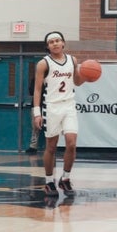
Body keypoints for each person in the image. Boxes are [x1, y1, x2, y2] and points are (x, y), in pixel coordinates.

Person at [33, 31, 88, 198]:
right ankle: (49, 181)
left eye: (57, 41)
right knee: (51, 146)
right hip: (52, 107)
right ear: (47, 46)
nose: (55, 44)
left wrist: (87, 76)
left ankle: (65, 178)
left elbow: (77, 82)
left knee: (71, 144)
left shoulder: (73, 60)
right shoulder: (43, 63)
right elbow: (37, 89)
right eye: (51, 42)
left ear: (63, 43)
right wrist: (37, 113)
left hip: (69, 105)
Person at [25, 74, 43, 154]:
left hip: (49, 104)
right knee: (35, 127)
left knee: (51, 126)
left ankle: (51, 145)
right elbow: (31, 91)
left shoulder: (52, 77)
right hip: (36, 105)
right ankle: (33, 146)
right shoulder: (35, 78)